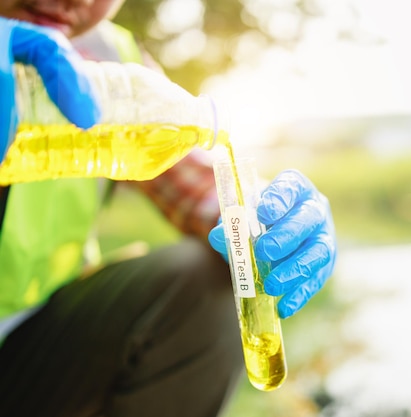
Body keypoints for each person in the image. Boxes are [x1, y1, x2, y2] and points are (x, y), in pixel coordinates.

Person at [0, 0, 336, 416]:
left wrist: (273, 219)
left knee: (202, 278)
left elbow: (198, 182)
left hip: (30, 349)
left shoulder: (107, 57)